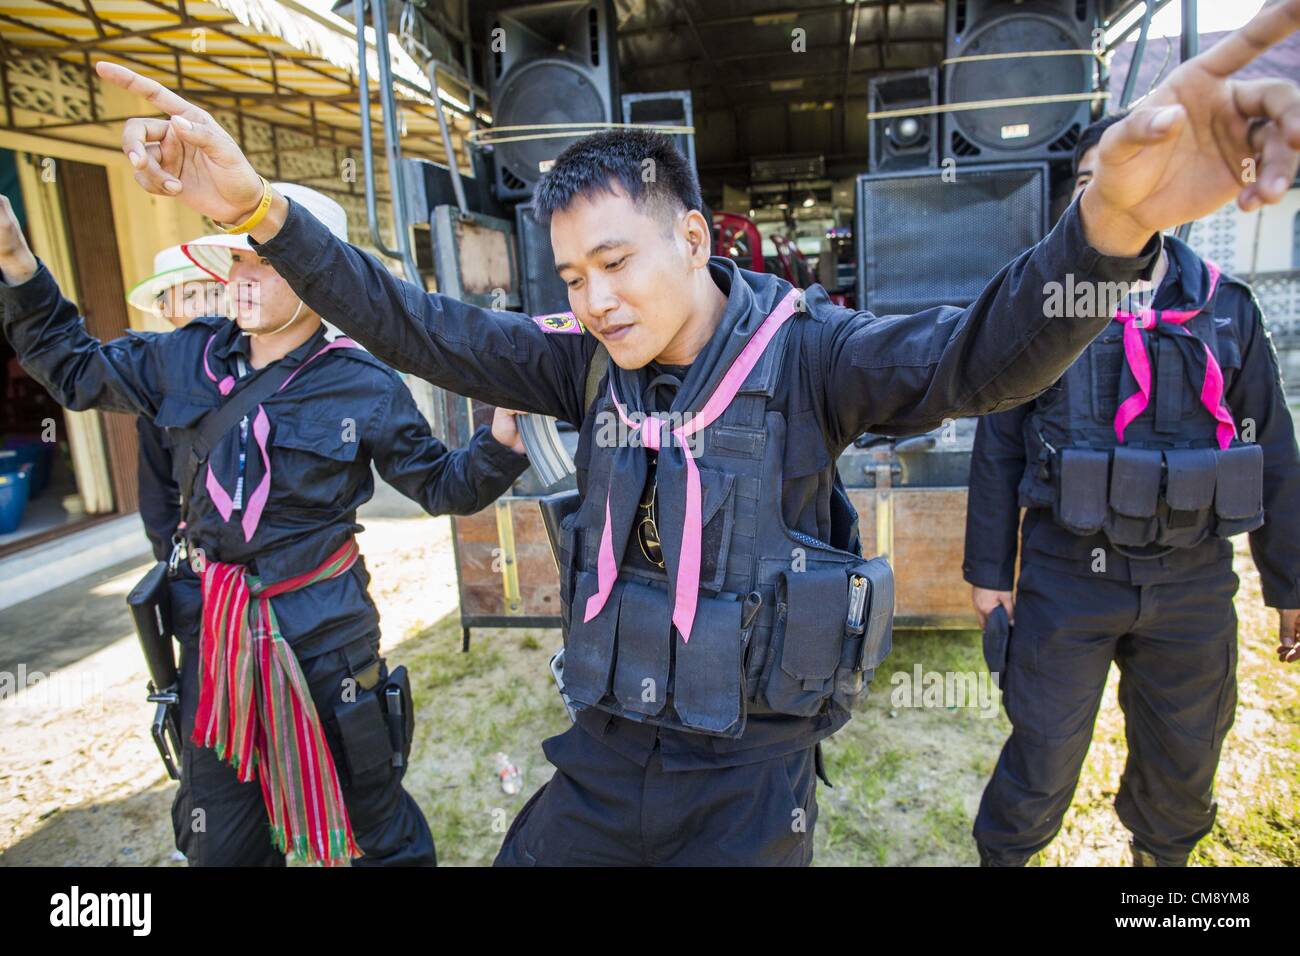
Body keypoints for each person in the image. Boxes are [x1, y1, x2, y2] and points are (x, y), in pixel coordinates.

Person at [92, 1, 1300, 865]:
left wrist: (1106, 231)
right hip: (606, 756)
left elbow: (985, 357)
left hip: (746, 776)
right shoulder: (579, 363)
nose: (595, 297)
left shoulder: (813, 356)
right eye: (570, 273)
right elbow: (413, 324)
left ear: (695, 240)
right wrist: (260, 209)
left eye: (616, 260)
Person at [0, 182, 532, 867]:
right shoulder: (184, 358)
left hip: (327, 642)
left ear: (320, 277)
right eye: (237, 260)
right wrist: (17, 262)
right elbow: (74, 371)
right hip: (215, 643)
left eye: (266, 263)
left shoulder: (361, 385)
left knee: (379, 835)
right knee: (221, 846)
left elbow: (441, 484)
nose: (241, 278)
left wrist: (500, 445)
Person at [963, 111, 1300, 868]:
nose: (1107, 199)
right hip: (1066, 576)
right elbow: (998, 445)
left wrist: (1290, 583)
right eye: (1089, 185)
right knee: (1042, 753)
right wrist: (989, 575)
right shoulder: (1040, 308)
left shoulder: (1224, 308)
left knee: (1184, 755)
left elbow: (1273, 450)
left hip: (1193, 581)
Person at [125, 243, 224, 561]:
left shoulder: (259, 360)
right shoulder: (157, 384)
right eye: (191, 296)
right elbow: (157, 490)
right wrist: (171, 557)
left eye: (215, 292)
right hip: (206, 553)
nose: (207, 306)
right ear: (166, 311)